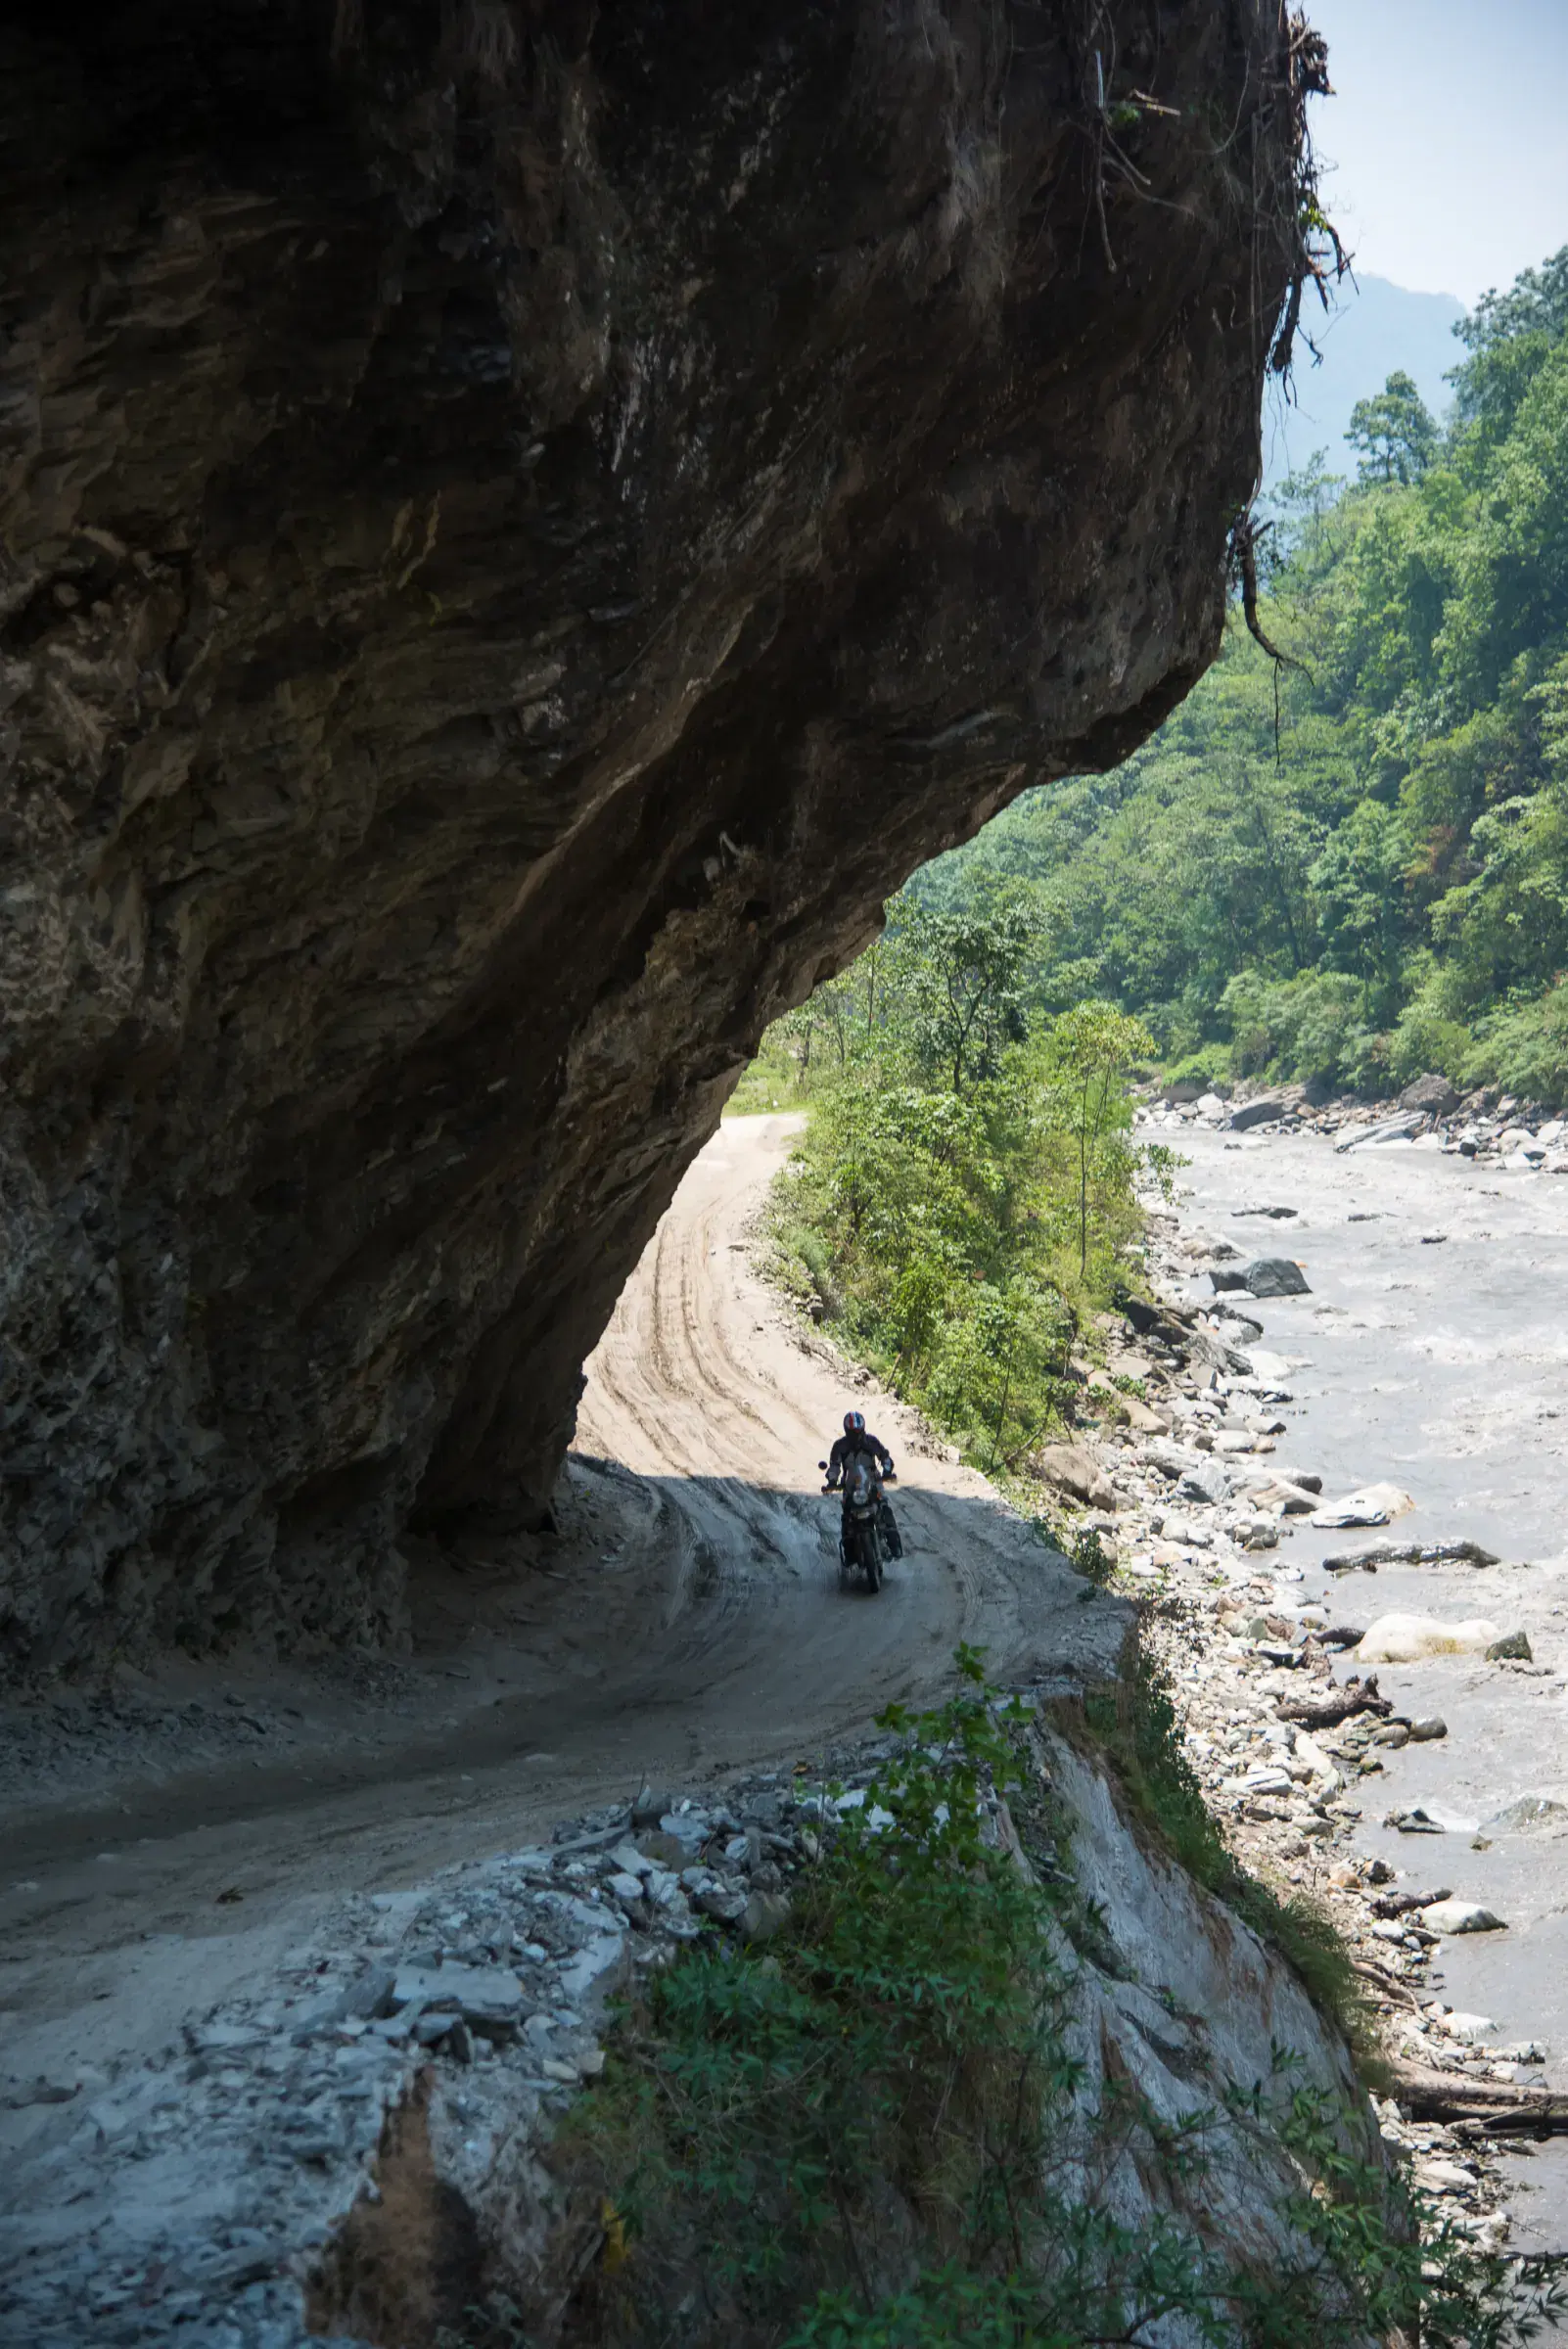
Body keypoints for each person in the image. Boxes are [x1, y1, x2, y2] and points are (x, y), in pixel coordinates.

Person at [824, 1409, 903, 1557]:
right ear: (847, 1431)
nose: (856, 1435)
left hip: (873, 1481)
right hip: (851, 1486)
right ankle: (849, 1552)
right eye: (853, 1432)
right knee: (846, 1516)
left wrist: (887, 1470)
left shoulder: (871, 1442)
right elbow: (834, 1466)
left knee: (884, 1506)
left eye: (858, 1431)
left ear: (863, 1429)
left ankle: (894, 1545)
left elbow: (884, 1457)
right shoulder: (839, 1446)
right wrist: (832, 1481)